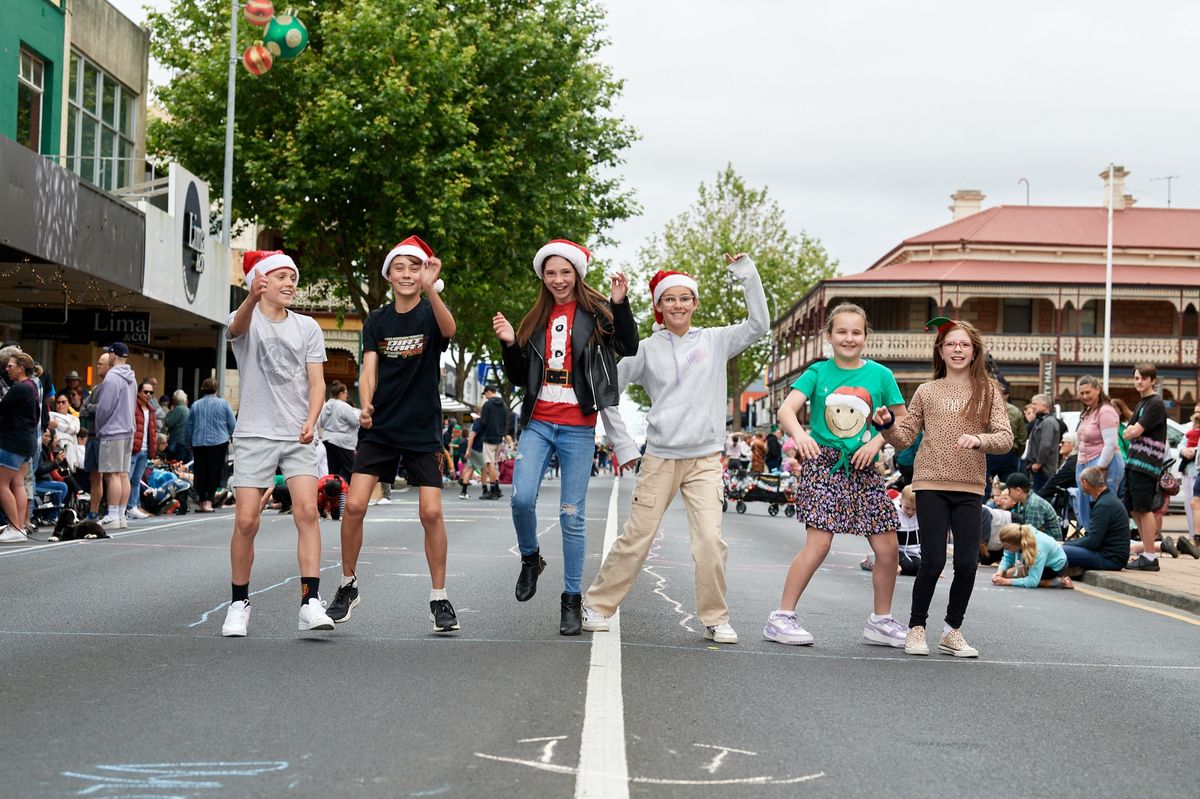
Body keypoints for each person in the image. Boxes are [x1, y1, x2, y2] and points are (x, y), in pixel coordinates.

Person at [585, 255, 766, 644]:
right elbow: (607, 391)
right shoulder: (645, 349)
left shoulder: (716, 341)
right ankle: (597, 605)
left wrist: (747, 276)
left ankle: (716, 618)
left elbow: (759, 326)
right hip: (660, 458)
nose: (679, 305)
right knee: (637, 537)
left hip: (704, 460)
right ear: (659, 306)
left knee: (709, 543)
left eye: (686, 298)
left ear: (695, 304)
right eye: (670, 299)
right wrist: (622, 444)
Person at [494, 238, 638, 635]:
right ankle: (530, 558)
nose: (558, 280)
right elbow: (519, 374)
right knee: (521, 498)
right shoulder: (535, 319)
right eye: (551, 273)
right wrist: (509, 344)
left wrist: (620, 304)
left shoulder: (598, 316)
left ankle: (571, 599)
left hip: (578, 426)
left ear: (577, 274)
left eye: (565, 272)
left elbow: (628, 345)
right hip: (538, 422)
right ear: (543, 276)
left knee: (571, 516)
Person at [326, 236, 459, 633]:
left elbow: (450, 328)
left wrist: (433, 291)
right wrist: (364, 404)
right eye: (399, 267)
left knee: (431, 512)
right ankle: (347, 585)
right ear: (388, 275)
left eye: (414, 267)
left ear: (424, 274)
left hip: (422, 428)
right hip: (381, 427)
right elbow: (368, 370)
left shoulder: (430, 314)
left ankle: (439, 598)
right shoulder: (377, 321)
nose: (406, 274)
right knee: (353, 506)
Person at [763, 303, 908, 648]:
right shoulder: (817, 372)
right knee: (820, 544)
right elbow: (786, 409)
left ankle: (880, 621)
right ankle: (781, 616)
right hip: (823, 463)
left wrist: (877, 442)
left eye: (856, 332)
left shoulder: (881, 376)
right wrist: (800, 435)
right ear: (829, 336)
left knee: (888, 549)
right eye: (841, 332)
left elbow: (904, 420)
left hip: (864, 465)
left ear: (866, 337)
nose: (849, 338)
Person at [876, 317, 1013, 658]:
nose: (957, 349)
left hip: (969, 487)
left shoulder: (988, 391)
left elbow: (1006, 438)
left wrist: (979, 439)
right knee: (933, 560)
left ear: (974, 350)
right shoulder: (926, 390)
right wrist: (889, 425)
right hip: (930, 483)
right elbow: (904, 438)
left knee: (967, 563)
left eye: (964, 344)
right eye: (951, 343)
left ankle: (952, 631)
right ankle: (916, 628)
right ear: (941, 349)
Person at [220, 250, 333, 638]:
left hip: (297, 433)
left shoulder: (308, 328)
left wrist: (311, 419)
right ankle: (239, 603)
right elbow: (235, 328)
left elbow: (317, 383)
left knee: (307, 513)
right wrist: (250, 297)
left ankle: (310, 602)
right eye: (281, 276)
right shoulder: (245, 319)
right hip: (254, 433)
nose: (289, 283)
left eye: (292, 278)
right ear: (261, 281)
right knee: (247, 520)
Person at [1122, 364, 1168, 571]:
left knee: (1144, 508)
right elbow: (1127, 432)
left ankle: (1150, 556)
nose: (1139, 381)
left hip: (1146, 464)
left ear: (1152, 381)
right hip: (1134, 462)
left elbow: (1133, 432)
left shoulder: (1155, 404)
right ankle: (1146, 554)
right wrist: (1131, 431)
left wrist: (1132, 430)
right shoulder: (1143, 403)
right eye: (1136, 378)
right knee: (1135, 508)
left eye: (1143, 378)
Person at [94, 342, 137, 529]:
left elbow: (104, 407)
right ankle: (120, 514)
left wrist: (99, 426)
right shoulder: (131, 378)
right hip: (128, 428)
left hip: (113, 430)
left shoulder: (112, 378)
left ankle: (112, 515)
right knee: (123, 474)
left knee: (111, 475)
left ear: (113, 355)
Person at [1073, 375, 1123, 532]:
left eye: (1088, 392)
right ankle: (1091, 536)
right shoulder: (1088, 412)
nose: (1085, 396)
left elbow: (1110, 444)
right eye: (1081, 393)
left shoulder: (1106, 411)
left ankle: (1105, 541)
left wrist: (1099, 469)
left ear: (1098, 390)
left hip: (1103, 463)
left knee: (1102, 506)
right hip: (1085, 463)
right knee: (1084, 504)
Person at [0, 352, 41, 542]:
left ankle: (14, 527)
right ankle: (20, 526)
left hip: (13, 441)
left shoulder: (19, 388)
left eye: (10, 366)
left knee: (1, 484)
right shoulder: (32, 386)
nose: (7, 369)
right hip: (27, 441)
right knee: (17, 483)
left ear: (21, 368)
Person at [1062, 466, 1130, 572]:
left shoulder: (1104, 504)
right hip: (1109, 555)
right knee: (1059, 549)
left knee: (1059, 551)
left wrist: (1067, 544)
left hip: (1110, 559)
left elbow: (1093, 541)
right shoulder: (1107, 499)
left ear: (1085, 483)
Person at [185, 377, 237, 513]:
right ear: (216, 389)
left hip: (199, 442)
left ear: (202, 389)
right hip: (219, 443)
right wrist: (233, 437)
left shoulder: (196, 405)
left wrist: (189, 443)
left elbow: (189, 427)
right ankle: (209, 502)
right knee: (214, 472)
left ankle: (201, 502)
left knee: (200, 472)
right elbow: (232, 424)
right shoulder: (224, 404)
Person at [861, 484, 921, 576]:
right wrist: (895, 563)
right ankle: (873, 561)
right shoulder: (895, 513)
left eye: (914, 509)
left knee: (921, 568)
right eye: (907, 508)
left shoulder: (919, 516)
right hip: (897, 551)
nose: (910, 512)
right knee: (908, 566)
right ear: (901, 501)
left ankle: (884, 563)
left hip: (913, 553)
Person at [78, 352, 110, 520]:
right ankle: (93, 512)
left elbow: (104, 410)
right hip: (92, 435)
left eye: (100, 363)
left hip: (102, 435)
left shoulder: (109, 386)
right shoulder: (97, 387)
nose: (97, 366)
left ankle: (112, 512)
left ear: (109, 366)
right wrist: (91, 407)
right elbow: (83, 408)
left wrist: (90, 407)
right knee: (94, 476)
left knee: (107, 476)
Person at [991, 523, 1072, 589]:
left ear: (1017, 544)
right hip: (1041, 561)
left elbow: (1032, 582)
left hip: (1055, 568)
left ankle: (1054, 582)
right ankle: (1048, 581)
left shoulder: (1038, 548)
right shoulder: (1019, 536)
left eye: (1006, 546)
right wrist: (1000, 571)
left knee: (1008, 577)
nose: (1004, 548)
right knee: (1005, 574)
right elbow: (1008, 557)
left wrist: (1006, 582)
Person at [986, 381, 1026, 494]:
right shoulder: (1016, 411)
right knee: (1010, 485)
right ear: (1007, 395)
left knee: (985, 483)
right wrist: (1017, 452)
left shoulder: (985, 410)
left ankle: (983, 507)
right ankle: (1010, 507)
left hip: (990, 451)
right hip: (1009, 452)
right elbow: (1022, 437)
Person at [126, 380, 158, 520]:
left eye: (151, 392)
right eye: (146, 392)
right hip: (134, 449)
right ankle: (123, 508)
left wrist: (153, 449)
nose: (149, 395)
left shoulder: (151, 410)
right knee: (127, 479)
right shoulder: (133, 407)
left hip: (145, 450)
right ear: (139, 392)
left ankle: (132, 507)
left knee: (136, 480)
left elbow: (153, 431)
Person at [318, 380, 360, 483]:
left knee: (332, 471)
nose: (347, 395)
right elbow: (355, 422)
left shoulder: (326, 405)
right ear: (341, 393)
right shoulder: (343, 406)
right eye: (346, 393)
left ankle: (334, 494)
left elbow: (322, 423)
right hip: (343, 442)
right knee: (350, 469)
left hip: (327, 439)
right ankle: (346, 493)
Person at [1002, 472, 1061, 539]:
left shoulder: (1033, 504)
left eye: (1010, 491)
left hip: (1050, 542)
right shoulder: (1022, 502)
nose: (1009, 494)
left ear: (1018, 490)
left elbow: (1030, 534)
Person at [1024, 393, 1060, 493]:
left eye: (1035, 404)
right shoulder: (1039, 421)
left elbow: (1046, 445)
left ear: (1045, 406)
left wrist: (1038, 463)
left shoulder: (1048, 422)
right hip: (1038, 469)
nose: (1032, 406)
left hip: (1044, 470)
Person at [478, 384, 507, 499]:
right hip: (499, 438)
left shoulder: (487, 405)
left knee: (489, 464)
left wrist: (478, 420)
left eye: (485, 393)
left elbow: (483, 422)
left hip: (489, 437)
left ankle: (493, 490)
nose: (485, 396)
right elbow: (506, 421)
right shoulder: (503, 405)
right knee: (494, 465)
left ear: (489, 392)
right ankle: (497, 489)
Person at [458, 413, 484, 499]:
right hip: (477, 449)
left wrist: (468, 449)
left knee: (470, 469)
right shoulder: (478, 423)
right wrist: (468, 450)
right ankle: (486, 490)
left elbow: (471, 437)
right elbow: (471, 437)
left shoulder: (475, 424)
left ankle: (463, 491)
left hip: (474, 449)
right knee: (483, 468)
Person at [162, 390, 191, 462]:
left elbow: (168, 422)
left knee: (175, 463)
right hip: (186, 441)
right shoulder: (187, 409)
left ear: (175, 399)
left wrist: (170, 411)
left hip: (177, 441)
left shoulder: (178, 409)